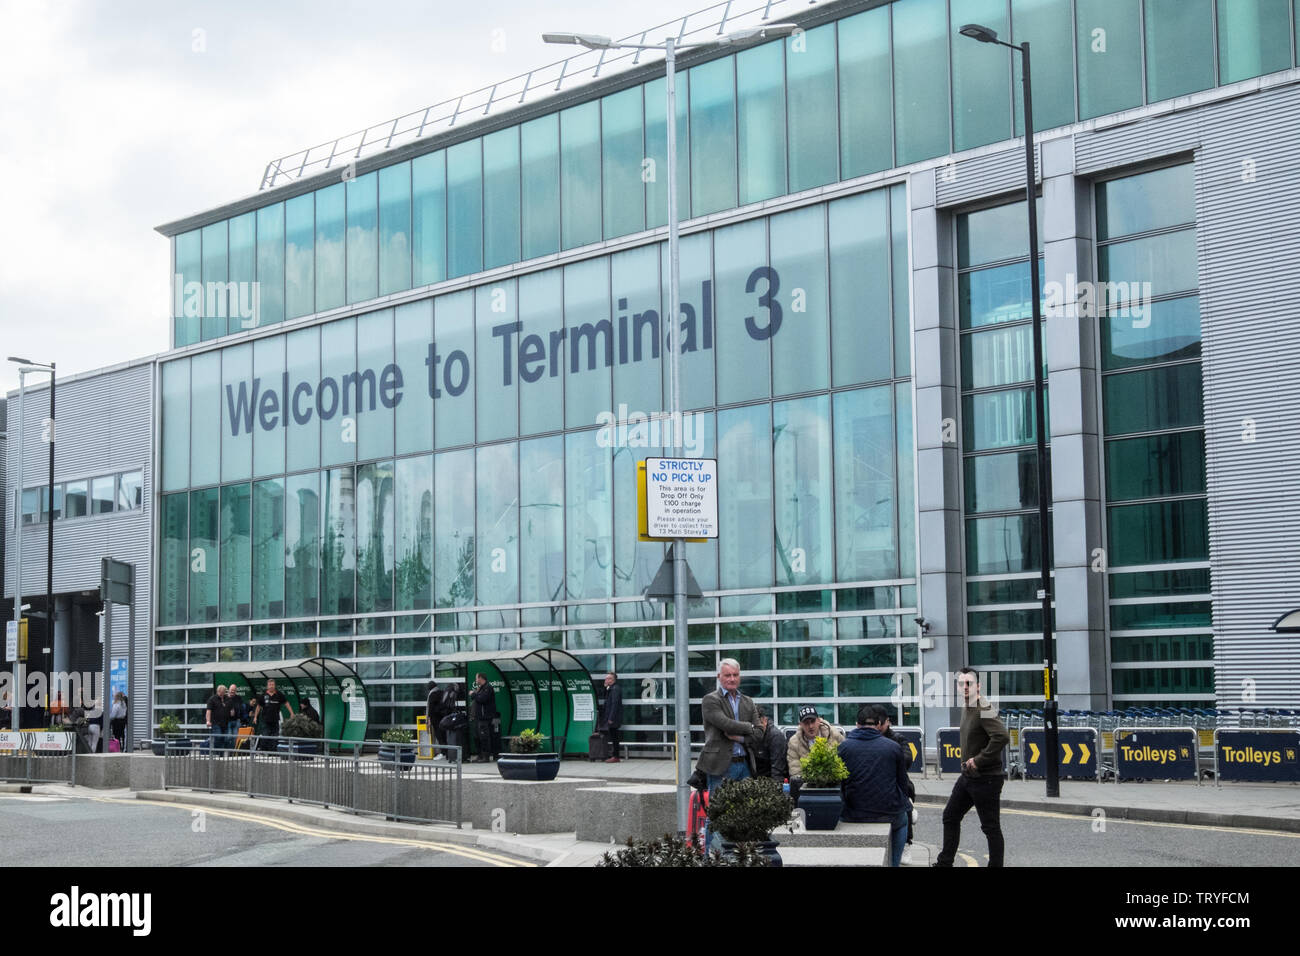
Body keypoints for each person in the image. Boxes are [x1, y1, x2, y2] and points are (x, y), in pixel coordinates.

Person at [933, 667, 1009, 868]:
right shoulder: (967, 706)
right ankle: (944, 863)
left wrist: (979, 760)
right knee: (950, 816)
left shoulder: (984, 707)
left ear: (979, 685)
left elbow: (1002, 736)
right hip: (968, 777)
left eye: (969, 683)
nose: (965, 687)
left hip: (986, 778)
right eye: (961, 683)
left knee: (991, 827)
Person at [698, 659, 763, 849]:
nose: (732, 679)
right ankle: (711, 857)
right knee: (718, 815)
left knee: (746, 814)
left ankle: (739, 855)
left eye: (735, 675)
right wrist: (749, 727)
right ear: (719, 677)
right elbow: (724, 724)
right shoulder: (710, 700)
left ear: (739, 677)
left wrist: (740, 738)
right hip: (720, 766)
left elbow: (759, 734)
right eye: (727, 675)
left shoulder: (748, 702)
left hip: (744, 765)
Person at [838, 704, 911, 867]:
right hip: (889, 812)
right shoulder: (893, 747)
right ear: (878, 725)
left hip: (853, 812)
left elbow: (840, 785)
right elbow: (902, 783)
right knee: (904, 819)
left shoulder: (844, 747)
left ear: (857, 724)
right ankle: (894, 863)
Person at [877, 705, 918, 849]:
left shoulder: (898, 739)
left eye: (881, 723)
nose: (879, 726)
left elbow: (907, 759)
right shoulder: (868, 738)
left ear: (887, 721)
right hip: (875, 783)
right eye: (876, 722)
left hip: (896, 783)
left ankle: (907, 844)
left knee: (903, 803)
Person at [786, 705, 845, 803]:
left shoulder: (834, 734)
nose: (811, 726)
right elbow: (795, 773)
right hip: (808, 788)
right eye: (806, 723)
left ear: (819, 720)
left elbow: (845, 760)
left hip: (834, 786)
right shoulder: (794, 742)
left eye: (813, 721)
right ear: (800, 724)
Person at [752, 706, 788, 786]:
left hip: (771, 781)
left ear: (765, 721)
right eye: (753, 726)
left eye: (758, 725)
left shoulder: (775, 736)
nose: (756, 729)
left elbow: (777, 770)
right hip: (758, 780)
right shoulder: (752, 734)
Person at [252, 679, 293, 748]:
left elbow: (286, 703)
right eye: (270, 685)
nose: (271, 686)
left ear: (275, 686)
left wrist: (291, 713)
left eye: (273, 685)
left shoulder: (279, 694)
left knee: (275, 736)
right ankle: (264, 751)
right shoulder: (263, 695)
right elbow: (258, 706)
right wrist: (255, 717)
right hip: (265, 720)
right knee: (265, 735)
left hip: (275, 720)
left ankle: (273, 752)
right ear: (267, 686)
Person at [469, 673, 498, 762]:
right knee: (477, 737)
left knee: (484, 737)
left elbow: (482, 699)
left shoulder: (488, 687)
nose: (476, 680)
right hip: (478, 717)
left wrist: (473, 694)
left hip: (485, 717)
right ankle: (480, 755)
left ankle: (486, 757)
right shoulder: (481, 688)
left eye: (476, 678)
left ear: (481, 678)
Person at [426, 681, 457, 758]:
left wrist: (428, 719)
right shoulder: (442, 692)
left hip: (435, 718)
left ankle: (443, 752)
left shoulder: (432, 694)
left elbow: (430, 708)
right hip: (442, 717)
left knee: (439, 736)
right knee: (443, 735)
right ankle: (447, 752)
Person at [599, 672, 624, 763]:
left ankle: (616, 756)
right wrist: (606, 688)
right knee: (613, 736)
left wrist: (611, 718)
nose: (605, 680)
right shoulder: (611, 688)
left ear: (612, 680)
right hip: (611, 717)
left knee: (615, 737)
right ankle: (614, 755)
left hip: (614, 718)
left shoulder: (615, 689)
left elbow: (614, 704)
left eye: (607, 678)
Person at [205, 684, 229, 751]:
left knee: (225, 739)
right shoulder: (212, 699)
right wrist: (208, 721)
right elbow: (208, 711)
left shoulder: (226, 698)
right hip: (216, 723)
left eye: (223, 693)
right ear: (217, 691)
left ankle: (220, 754)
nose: (222, 695)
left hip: (225, 723)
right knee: (218, 737)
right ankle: (216, 752)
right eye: (220, 693)